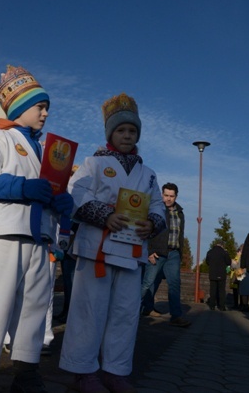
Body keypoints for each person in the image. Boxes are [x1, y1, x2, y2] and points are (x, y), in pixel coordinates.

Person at [0, 66, 73, 393]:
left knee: (34, 310)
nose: (45, 112)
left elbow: (48, 189)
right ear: (19, 108)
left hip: (40, 239)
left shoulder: (47, 150)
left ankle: (26, 372)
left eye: (46, 107)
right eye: (40, 106)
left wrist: (61, 202)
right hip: (7, 235)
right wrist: (21, 188)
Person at [59, 93, 166, 393]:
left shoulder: (148, 173)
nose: (127, 135)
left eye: (132, 131)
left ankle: (115, 371)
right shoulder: (93, 163)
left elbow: (158, 205)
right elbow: (76, 194)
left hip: (132, 251)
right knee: (89, 310)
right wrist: (104, 214)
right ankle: (83, 370)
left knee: (125, 313)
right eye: (121, 130)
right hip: (97, 249)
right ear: (110, 133)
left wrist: (153, 222)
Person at [140, 182, 191, 326]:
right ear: (162, 194)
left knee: (175, 284)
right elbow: (148, 231)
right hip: (157, 252)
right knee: (147, 283)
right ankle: (133, 311)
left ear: (176, 196)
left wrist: (180, 254)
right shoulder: (156, 209)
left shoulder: (180, 212)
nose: (168, 199)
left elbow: (180, 234)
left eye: (171, 196)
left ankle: (176, 316)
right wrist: (149, 251)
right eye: (166, 195)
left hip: (173, 253)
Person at [205, 240, 231, 311]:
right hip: (221, 274)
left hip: (212, 273)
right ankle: (221, 306)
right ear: (222, 245)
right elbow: (229, 262)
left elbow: (207, 262)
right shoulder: (224, 252)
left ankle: (212, 306)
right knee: (221, 290)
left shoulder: (210, 252)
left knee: (212, 290)